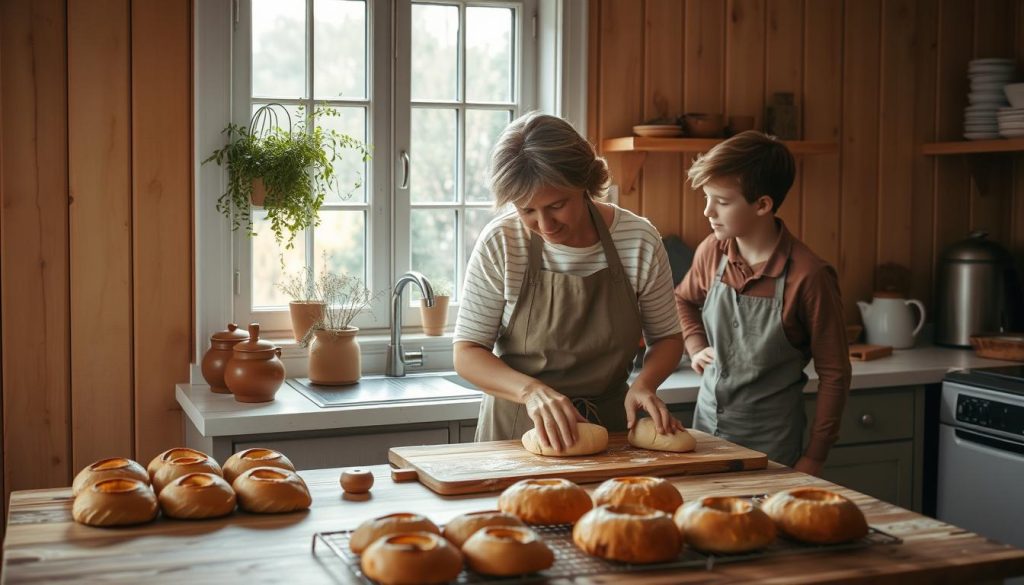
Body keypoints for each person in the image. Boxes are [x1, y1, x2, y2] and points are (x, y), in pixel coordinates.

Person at [453, 112, 685, 452]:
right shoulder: (501, 242)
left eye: (557, 205)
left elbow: (666, 338)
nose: (545, 225)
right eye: (527, 210)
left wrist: (645, 384)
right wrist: (531, 392)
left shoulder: (638, 239)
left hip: (610, 432)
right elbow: (467, 352)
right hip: (517, 432)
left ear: (585, 184)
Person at [674, 130, 851, 476]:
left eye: (722, 201)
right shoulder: (712, 251)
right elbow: (683, 300)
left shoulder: (809, 277)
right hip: (705, 432)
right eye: (707, 197)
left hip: (773, 446)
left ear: (763, 205)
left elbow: (835, 374)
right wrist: (695, 346)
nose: (707, 211)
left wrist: (815, 455)